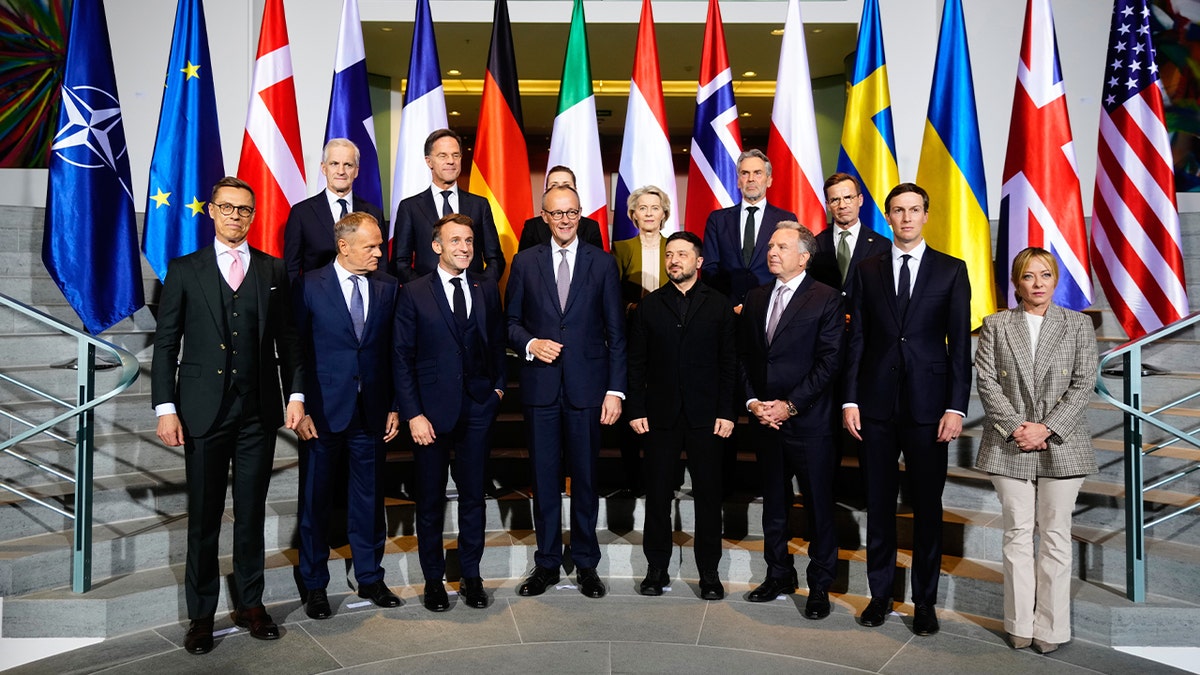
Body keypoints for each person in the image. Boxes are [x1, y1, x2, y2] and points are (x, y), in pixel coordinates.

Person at [151, 176, 305, 655]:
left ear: (253, 216)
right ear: (212, 211)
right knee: (203, 517)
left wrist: (295, 395)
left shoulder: (271, 269)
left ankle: (250, 605)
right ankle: (201, 616)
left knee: (251, 514)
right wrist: (165, 407)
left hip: (257, 412)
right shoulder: (182, 269)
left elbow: (288, 343)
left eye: (245, 209)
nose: (237, 216)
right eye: (228, 208)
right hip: (201, 412)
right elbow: (166, 345)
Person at [842, 183, 971, 636]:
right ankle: (880, 596)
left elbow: (959, 349)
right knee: (878, 505)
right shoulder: (867, 269)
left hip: (929, 409)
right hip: (874, 407)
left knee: (927, 508)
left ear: (926, 215)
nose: (906, 218)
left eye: (914, 209)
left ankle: (925, 602)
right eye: (897, 210)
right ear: (888, 217)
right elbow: (855, 340)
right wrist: (851, 397)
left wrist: (957, 406)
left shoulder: (951, 271)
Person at [974, 247, 1098, 654]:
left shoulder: (1078, 325)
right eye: (1029, 276)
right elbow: (988, 383)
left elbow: (1083, 384)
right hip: (1009, 445)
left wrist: (1046, 428)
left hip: (1063, 443)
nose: (1038, 284)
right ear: (1016, 281)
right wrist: (1017, 429)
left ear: (1055, 279)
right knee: (1016, 534)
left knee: (1057, 538)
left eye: (1045, 275)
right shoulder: (995, 324)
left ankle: (1051, 628)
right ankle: (1019, 623)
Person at [505, 185, 626, 599]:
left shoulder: (603, 263)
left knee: (587, 480)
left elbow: (617, 333)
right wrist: (530, 344)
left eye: (571, 213)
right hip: (541, 389)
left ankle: (587, 565)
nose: (564, 220)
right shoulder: (524, 262)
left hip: (588, 390)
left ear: (580, 216)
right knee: (544, 478)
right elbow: (510, 322)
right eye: (556, 214)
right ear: (543, 217)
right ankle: (547, 564)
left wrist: (615, 391)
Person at [291, 212, 402, 620]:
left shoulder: (389, 287)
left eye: (379, 245)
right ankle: (315, 585)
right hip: (321, 412)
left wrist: (394, 405)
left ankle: (371, 577)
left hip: (372, 412)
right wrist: (298, 402)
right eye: (371, 246)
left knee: (370, 502)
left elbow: (394, 352)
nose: (379, 252)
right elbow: (297, 350)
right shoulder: (308, 285)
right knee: (316, 502)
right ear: (344, 246)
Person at [395, 214, 507, 612]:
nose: (464, 247)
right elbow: (402, 358)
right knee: (429, 501)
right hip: (430, 414)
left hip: (478, 407)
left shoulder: (486, 286)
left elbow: (496, 344)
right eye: (455, 240)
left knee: (474, 497)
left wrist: (496, 389)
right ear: (437, 247)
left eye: (469, 240)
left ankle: (471, 577)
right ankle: (433, 581)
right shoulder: (413, 291)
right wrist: (413, 414)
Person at [738, 222, 843, 619]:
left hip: (809, 422)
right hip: (765, 421)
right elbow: (745, 357)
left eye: (781, 246)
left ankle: (819, 586)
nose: (772, 252)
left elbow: (830, 360)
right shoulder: (756, 296)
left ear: (803, 256)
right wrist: (754, 403)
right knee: (775, 506)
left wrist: (789, 405)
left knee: (817, 506)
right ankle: (779, 573)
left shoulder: (826, 298)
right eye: (770, 246)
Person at [627, 230, 736, 600]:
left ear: (698, 261)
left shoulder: (719, 305)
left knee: (708, 496)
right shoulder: (650, 305)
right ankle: (656, 569)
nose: (674, 260)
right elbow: (636, 363)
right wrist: (636, 408)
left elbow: (729, 364)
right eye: (669, 254)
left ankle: (709, 573)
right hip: (659, 416)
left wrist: (727, 411)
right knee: (657, 495)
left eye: (682, 254)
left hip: (708, 417)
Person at [391, 128, 505, 281]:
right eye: (442, 155)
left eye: (455, 155)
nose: (451, 161)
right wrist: (422, 292)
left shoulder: (479, 205)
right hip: (427, 299)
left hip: (472, 297)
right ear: (429, 161)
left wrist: (481, 289)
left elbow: (495, 259)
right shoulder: (410, 207)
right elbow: (400, 262)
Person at [701, 149, 798, 309]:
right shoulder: (718, 220)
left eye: (758, 173)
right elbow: (709, 268)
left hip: (771, 308)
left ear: (769, 180)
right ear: (738, 181)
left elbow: (790, 268)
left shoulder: (787, 219)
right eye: (745, 173)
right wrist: (728, 304)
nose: (751, 179)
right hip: (726, 309)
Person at [283, 138, 385, 280]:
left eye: (348, 165)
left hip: (362, 296)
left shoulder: (373, 213)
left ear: (356, 171)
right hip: (316, 297)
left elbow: (382, 266)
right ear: (324, 168)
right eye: (334, 164)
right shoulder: (302, 213)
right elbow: (291, 268)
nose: (341, 171)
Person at [809, 172, 891, 310]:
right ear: (828, 205)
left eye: (848, 198)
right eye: (835, 200)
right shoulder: (815, 244)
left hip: (864, 326)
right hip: (826, 324)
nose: (842, 205)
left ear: (860, 200)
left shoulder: (881, 245)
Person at [518, 165, 605, 251]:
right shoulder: (532, 228)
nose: (560, 190)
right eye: (554, 185)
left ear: (575, 189)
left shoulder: (591, 227)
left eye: (566, 185)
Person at [613, 185, 670, 311]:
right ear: (634, 215)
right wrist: (631, 307)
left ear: (663, 214)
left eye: (655, 208)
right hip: (632, 321)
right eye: (642, 208)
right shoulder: (621, 248)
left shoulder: (673, 247)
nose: (649, 214)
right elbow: (611, 292)